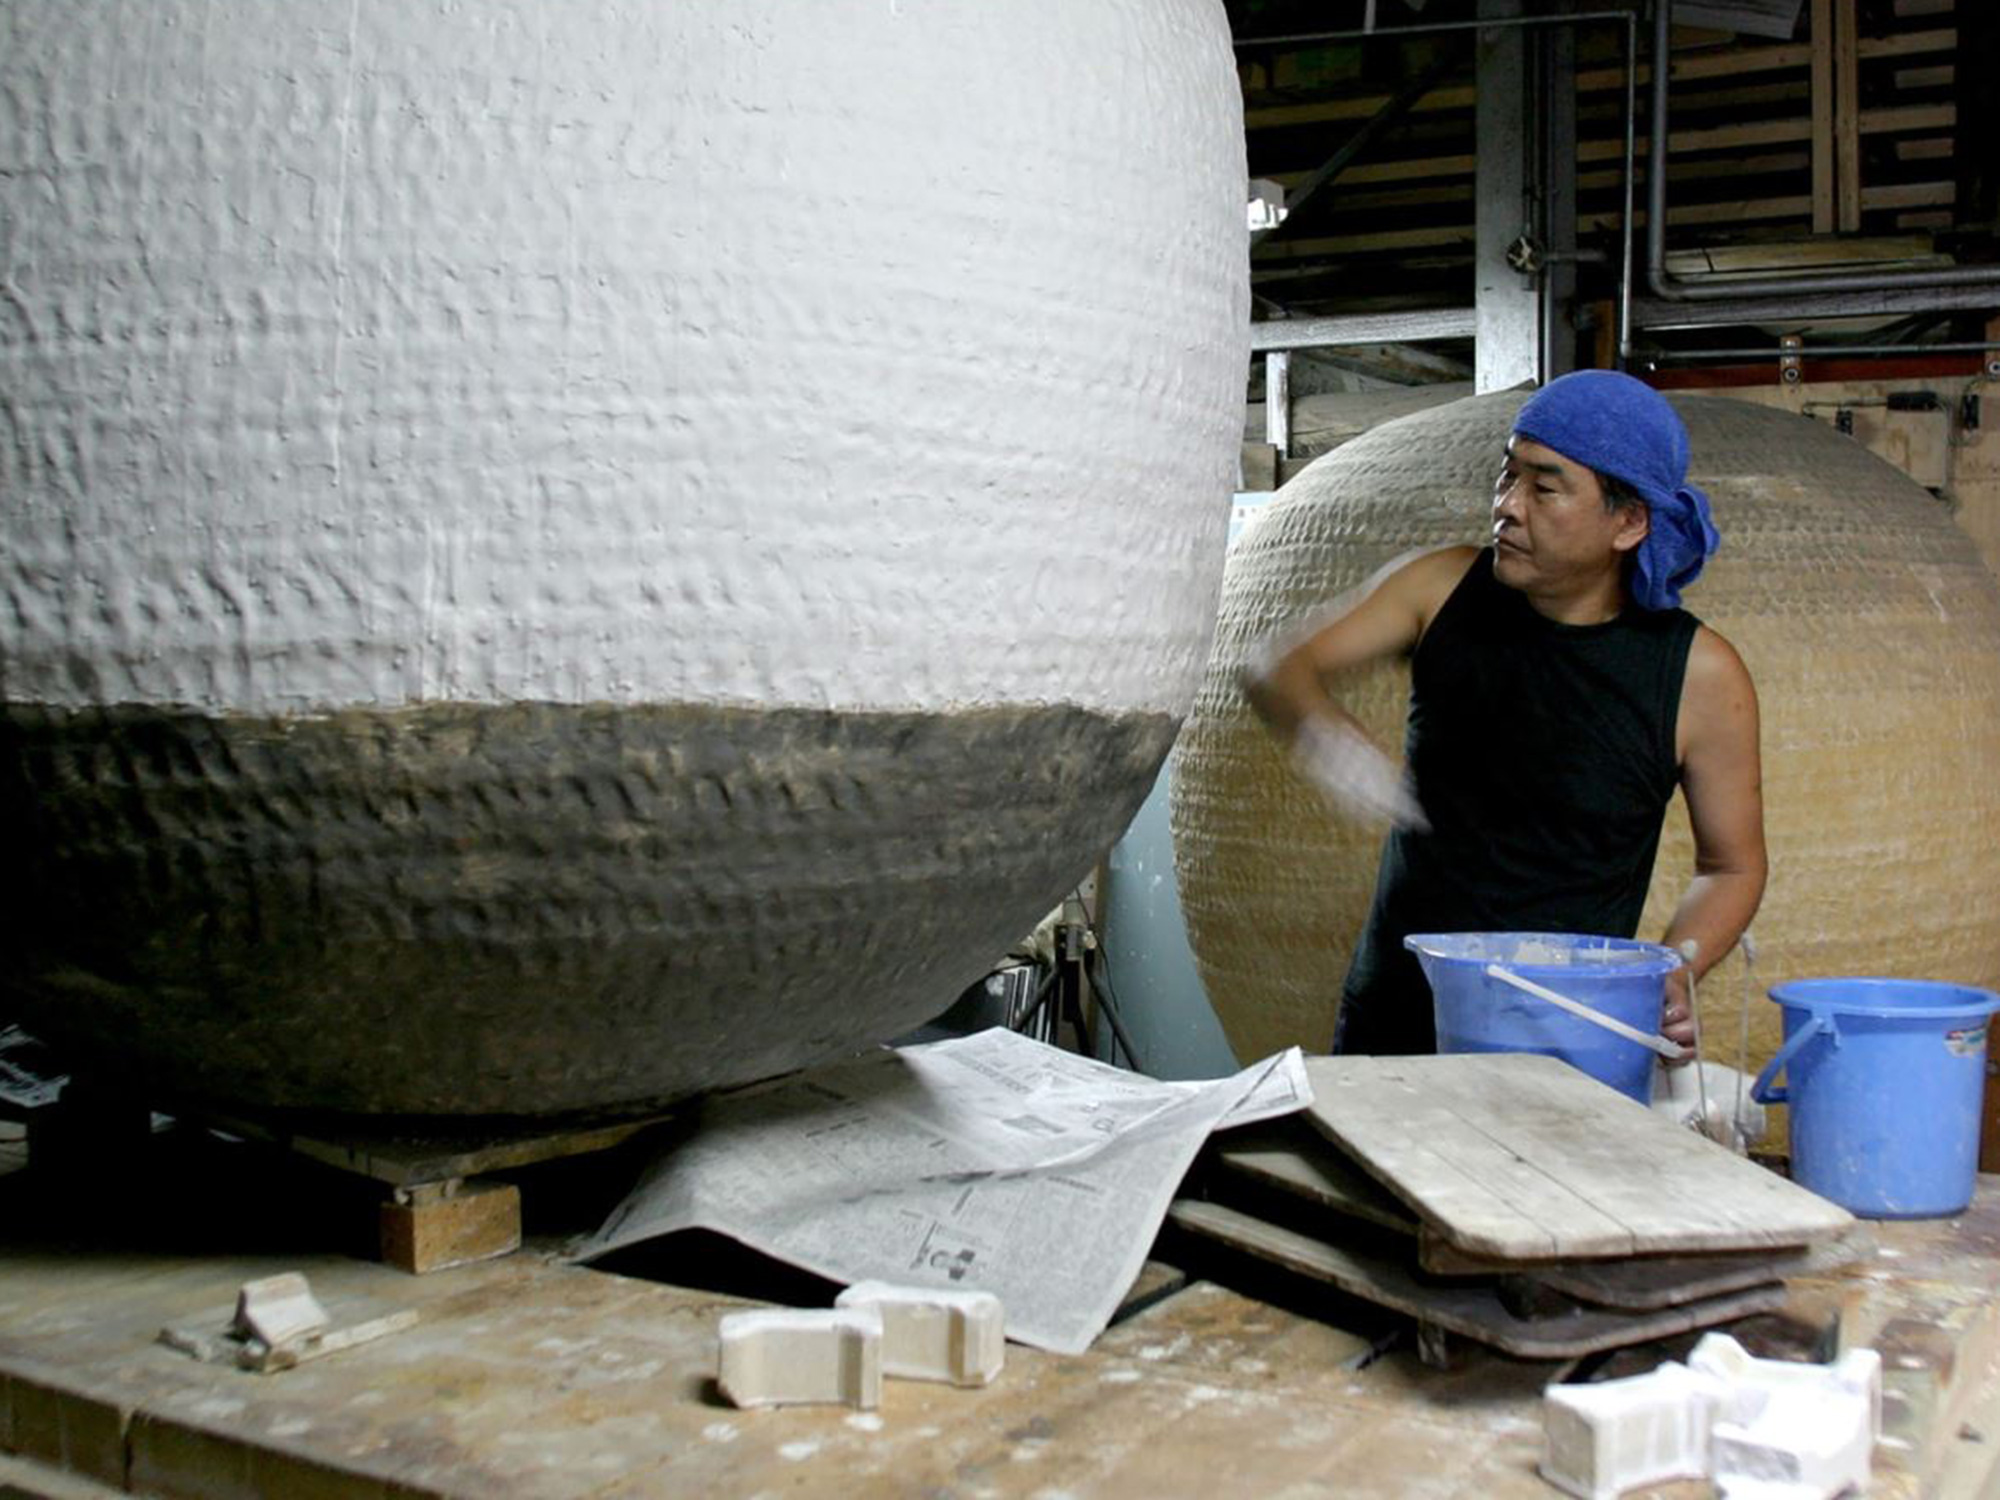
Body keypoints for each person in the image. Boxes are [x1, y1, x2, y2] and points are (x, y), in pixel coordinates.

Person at [1240, 369, 1766, 1057]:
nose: (1508, 506)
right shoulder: (1441, 589)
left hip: (1562, 1036)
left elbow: (1731, 867)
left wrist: (1673, 970)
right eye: (1506, 476)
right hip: (1395, 1020)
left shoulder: (1697, 674)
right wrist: (1328, 737)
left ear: (1629, 521)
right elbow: (1276, 666)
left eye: (1544, 487)